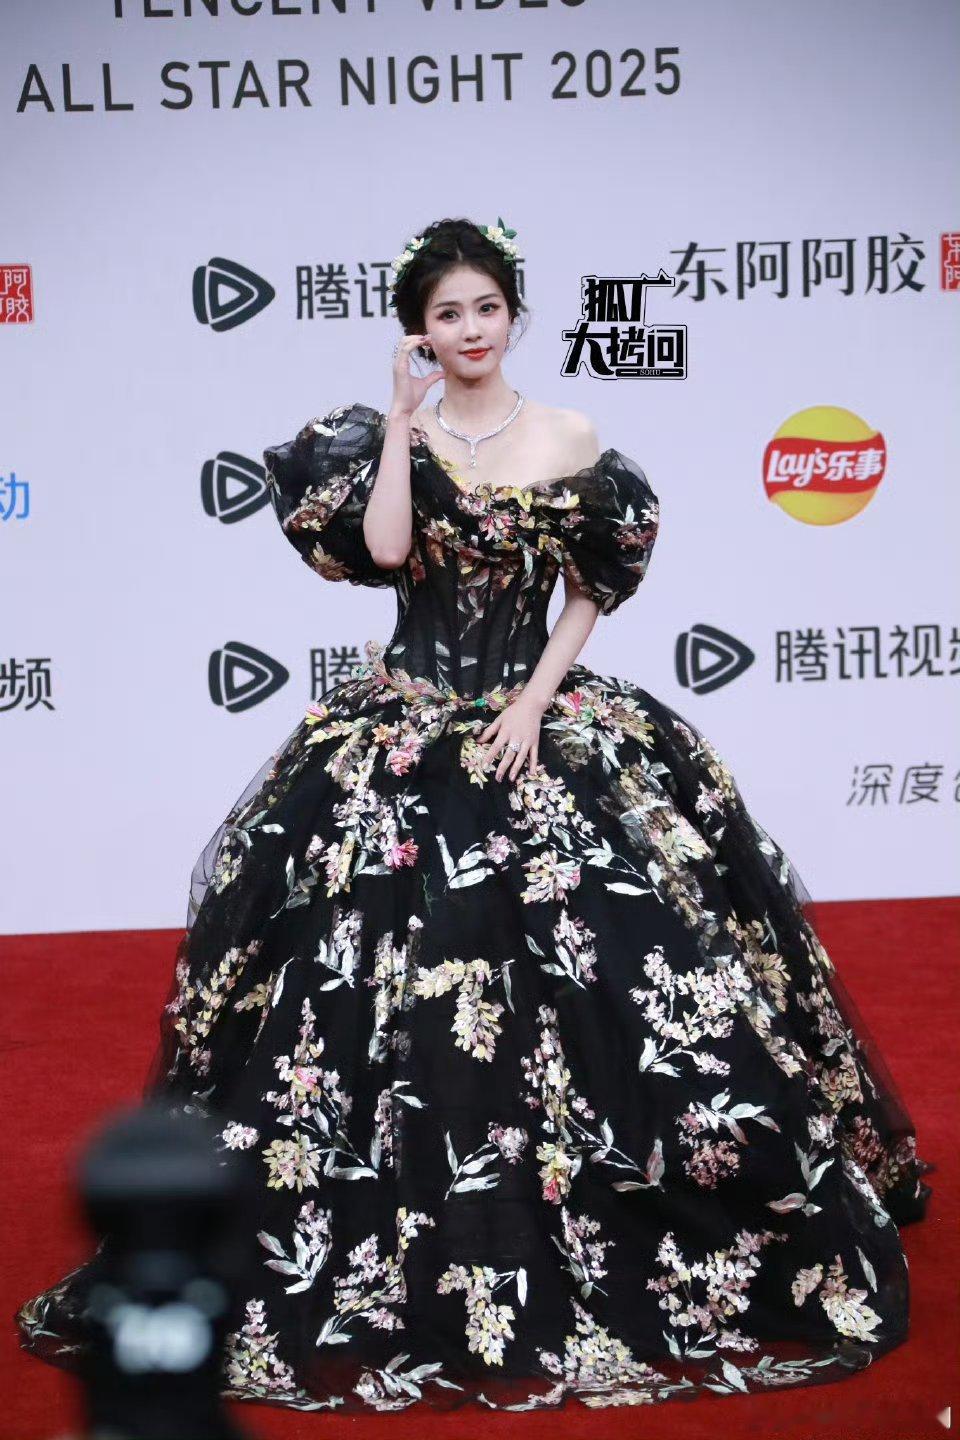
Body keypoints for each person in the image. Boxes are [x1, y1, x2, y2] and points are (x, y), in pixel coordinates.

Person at [15, 216, 933, 1415]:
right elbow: (386, 550)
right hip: (403, 729)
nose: (469, 330)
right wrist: (400, 424)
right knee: (357, 1006)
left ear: (512, 315)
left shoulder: (570, 436)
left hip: (536, 717)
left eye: (485, 309)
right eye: (446, 315)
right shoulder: (385, 438)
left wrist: (535, 705)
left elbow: (591, 588)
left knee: (622, 978)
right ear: (419, 330)